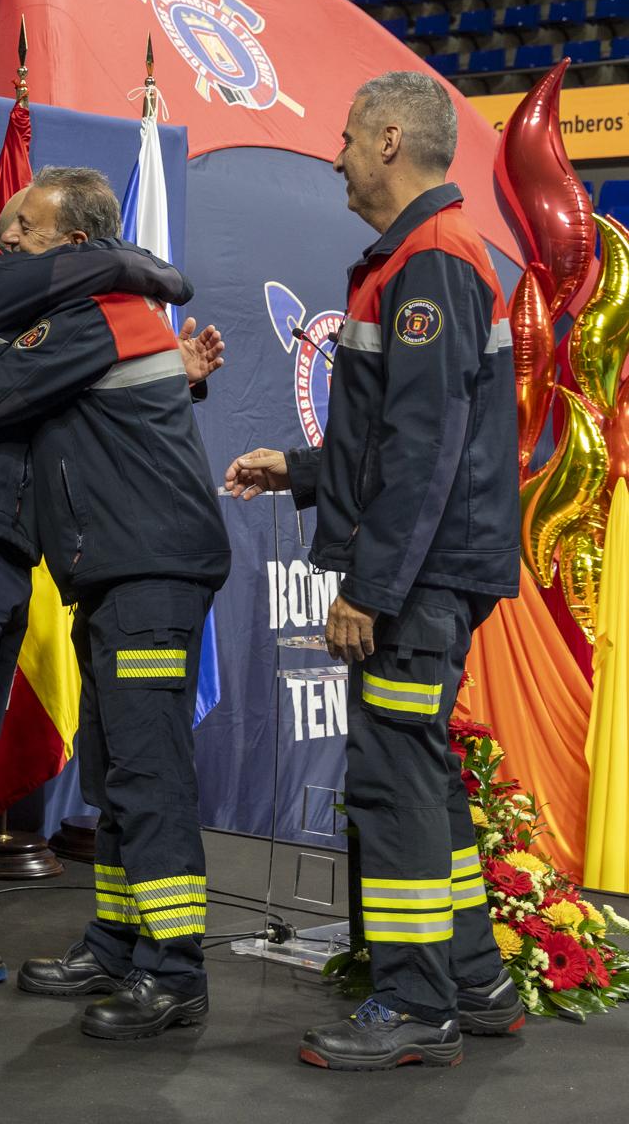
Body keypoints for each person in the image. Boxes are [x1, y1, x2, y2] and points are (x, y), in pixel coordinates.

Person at [0, 166, 230, 1042]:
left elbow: (58, 388)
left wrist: (169, 352)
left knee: (116, 769)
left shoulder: (83, 315)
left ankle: (159, 965)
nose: (7, 236)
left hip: (99, 566)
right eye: (9, 222)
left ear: (73, 250)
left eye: (27, 225)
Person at [225, 71, 522, 1071]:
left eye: (348, 136)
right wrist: (302, 470)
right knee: (421, 779)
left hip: (419, 576)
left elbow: (426, 444)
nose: (338, 153)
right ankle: (475, 983)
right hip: (436, 566)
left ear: (392, 140)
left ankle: (413, 1005)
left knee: (391, 785)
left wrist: (371, 588)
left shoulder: (432, 258)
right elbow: (398, 434)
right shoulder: (423, 256)